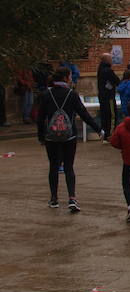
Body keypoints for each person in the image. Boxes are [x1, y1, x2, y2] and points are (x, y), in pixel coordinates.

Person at [37, 67, 104, 212]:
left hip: (51, 136)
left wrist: (41, 136)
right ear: (67, 77)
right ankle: (72, 198)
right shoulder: (72, 94)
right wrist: (98, 129)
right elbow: (84, 114)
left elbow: (40, 117)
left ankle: (54, 198)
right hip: (69, 135)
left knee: (53, 167)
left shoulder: (46, 94)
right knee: (68, 167)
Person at [96, 52, 120, 136]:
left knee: (104, 115)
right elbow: (116, 80)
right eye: (111, 59)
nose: (112, 61)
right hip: (109, 96)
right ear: (107, 60)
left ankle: (104, 133)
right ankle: (110, 135)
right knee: (112, 115)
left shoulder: (100, 69)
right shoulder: (108, 70)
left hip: (102, 96)